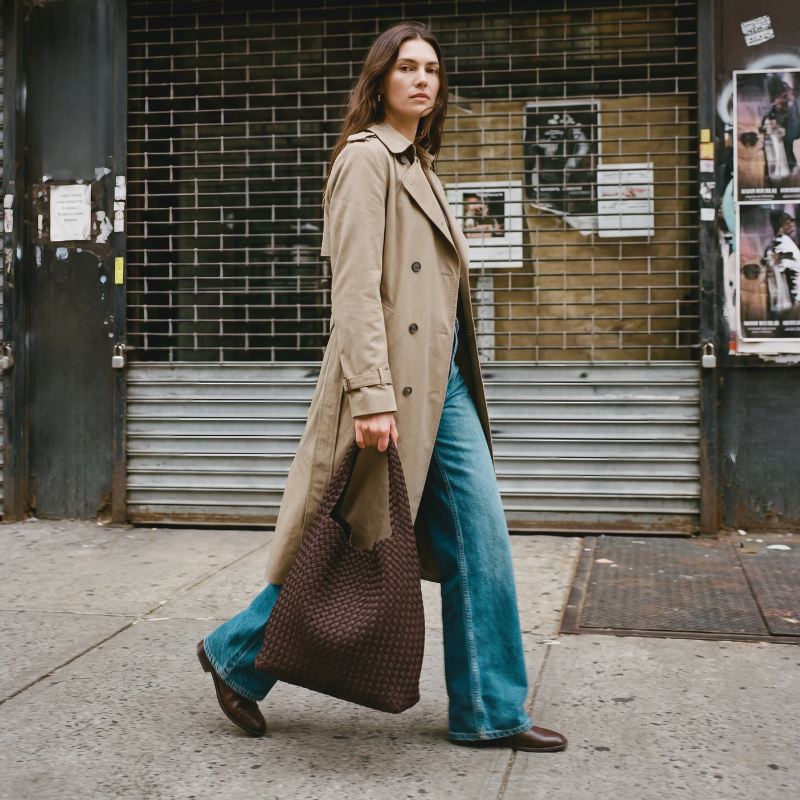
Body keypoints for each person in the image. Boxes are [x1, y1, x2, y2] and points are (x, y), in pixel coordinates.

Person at [196, 22, 567, 753]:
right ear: (381, 80)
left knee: (480, 539)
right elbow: (356, 289)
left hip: (444, 386)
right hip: (392, 386)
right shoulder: (367, 159)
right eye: (407, 68)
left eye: (433, 69)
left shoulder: (422, 165)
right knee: (346, 542)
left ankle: (491, 709)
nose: (423, 79)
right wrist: (370, 394)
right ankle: (237, 654)